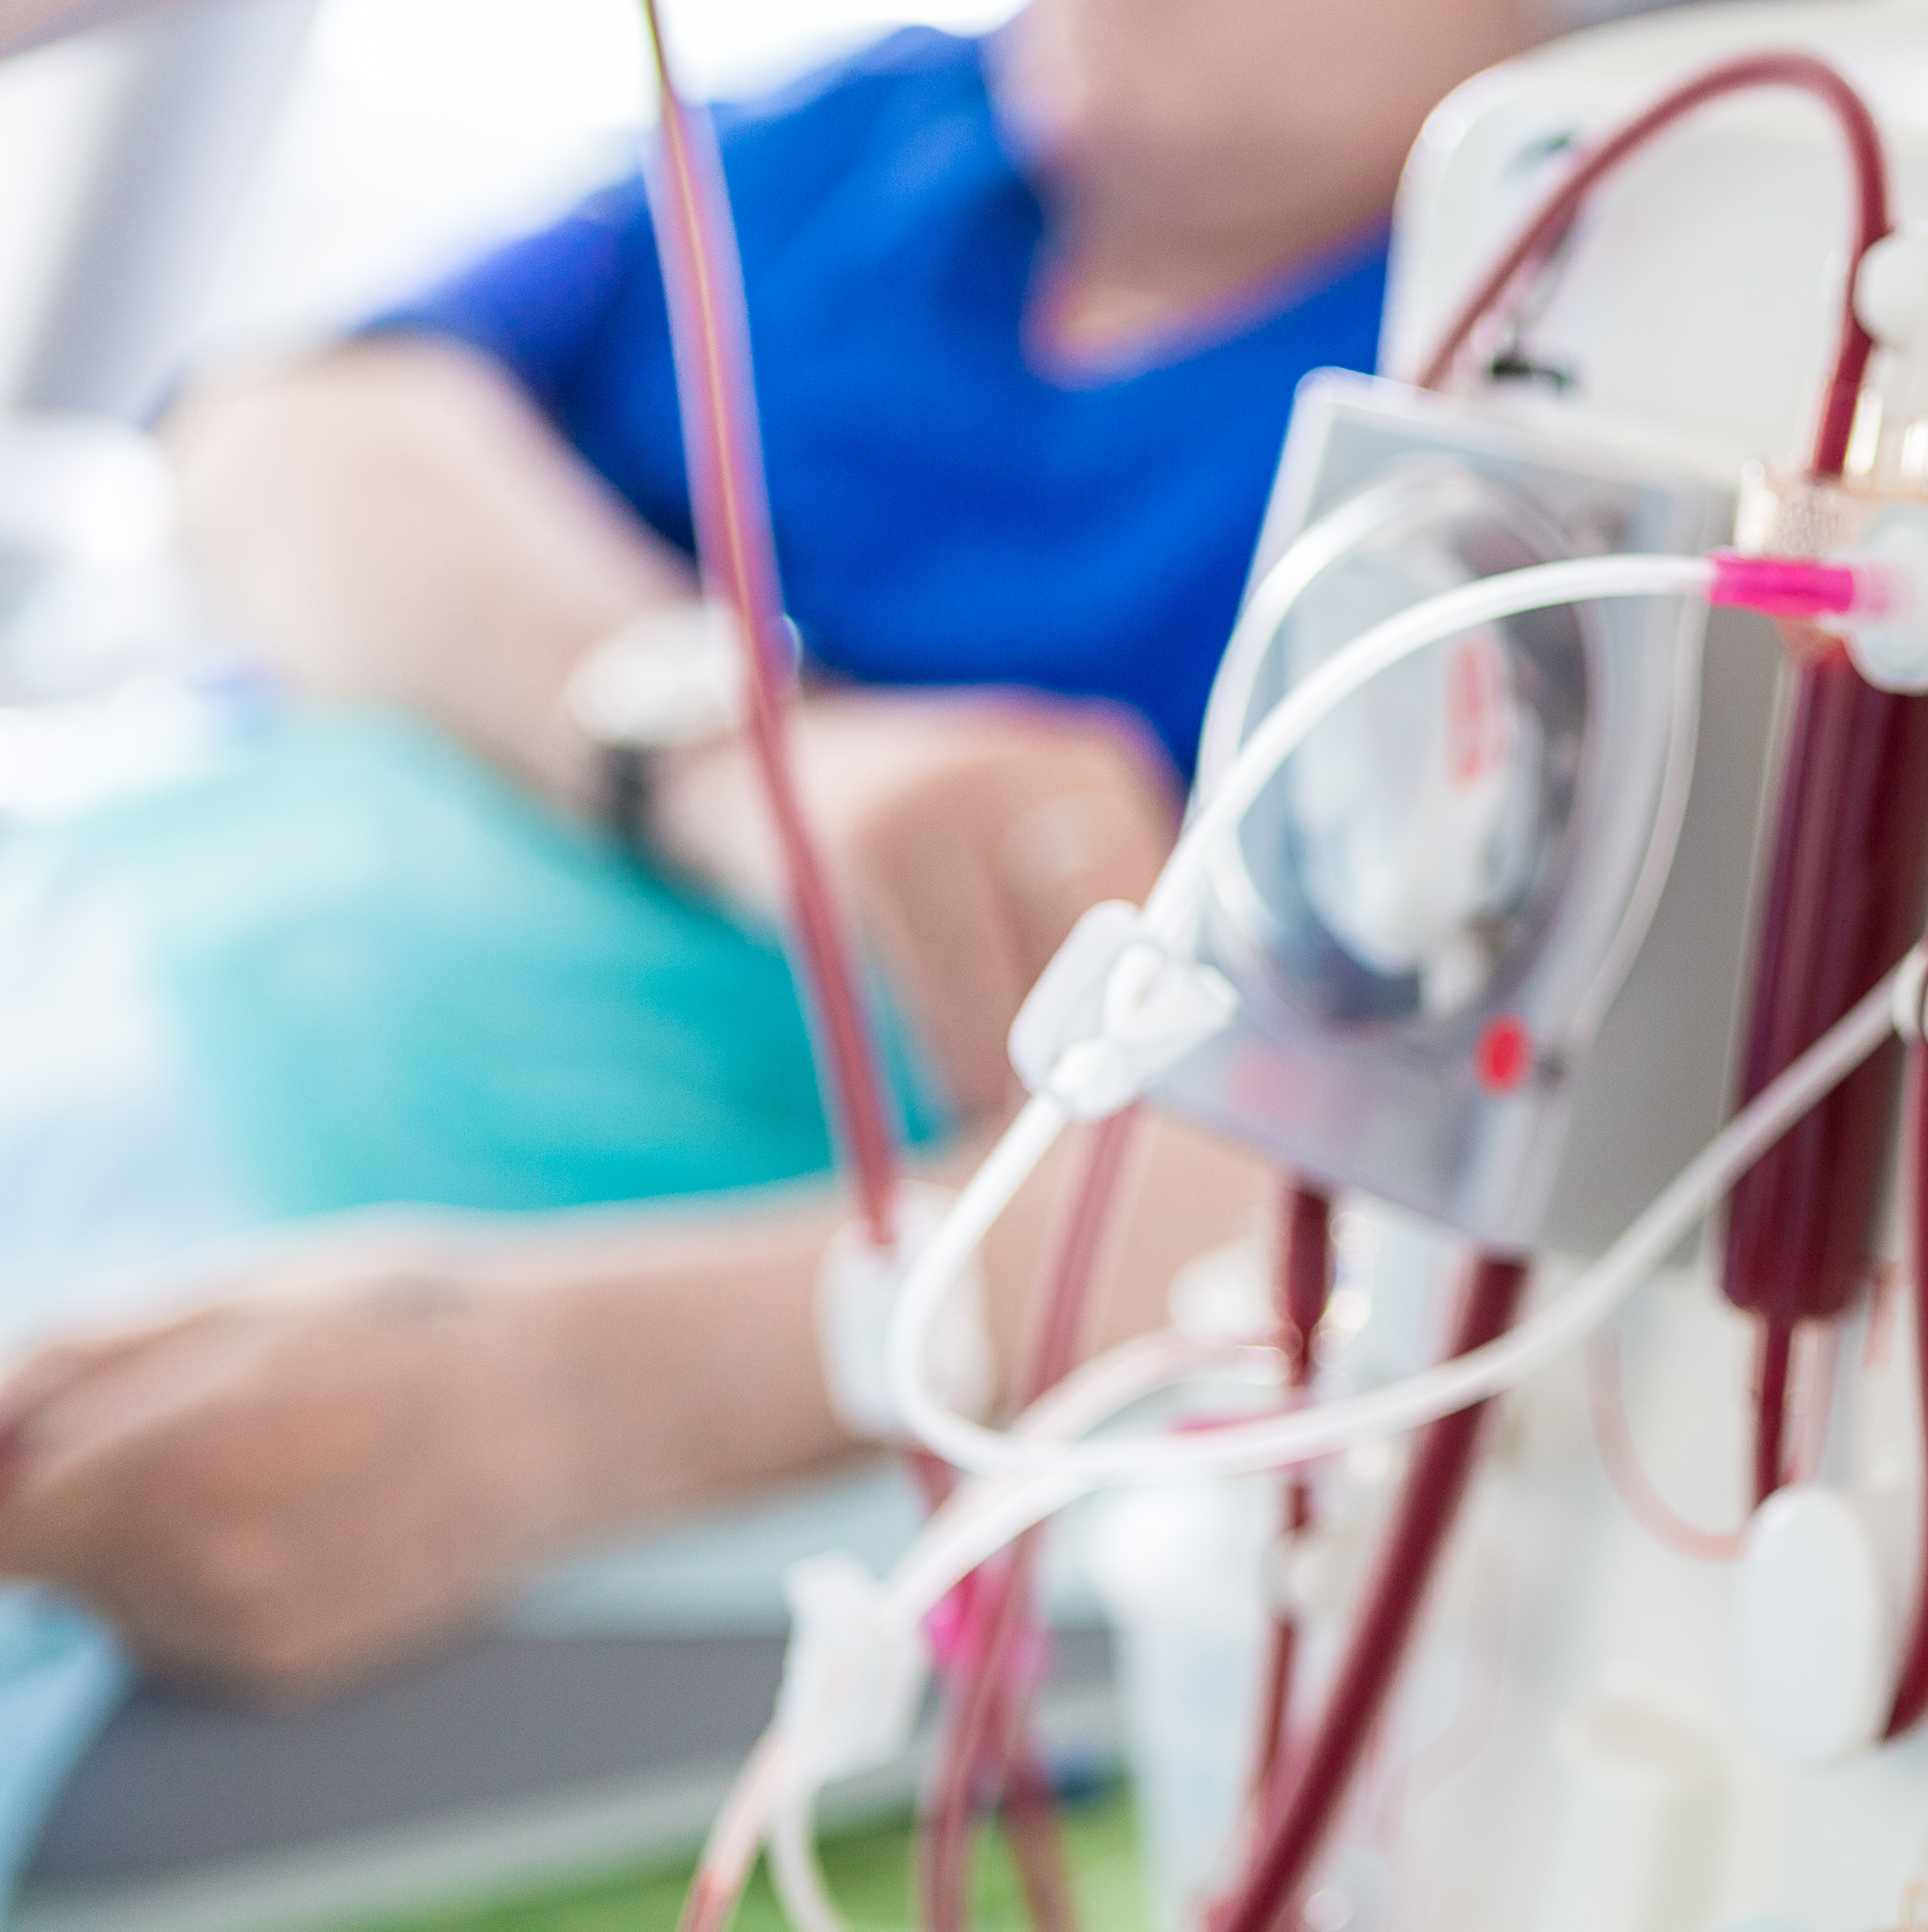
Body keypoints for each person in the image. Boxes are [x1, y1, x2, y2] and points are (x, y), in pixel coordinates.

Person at [0, 0, 1533, 1702]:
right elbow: (292, 432)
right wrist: (736, 756)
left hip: (413, 1277)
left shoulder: (1531, 381)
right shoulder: (907, 129)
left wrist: (598, 1397)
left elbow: (1424, 1160)